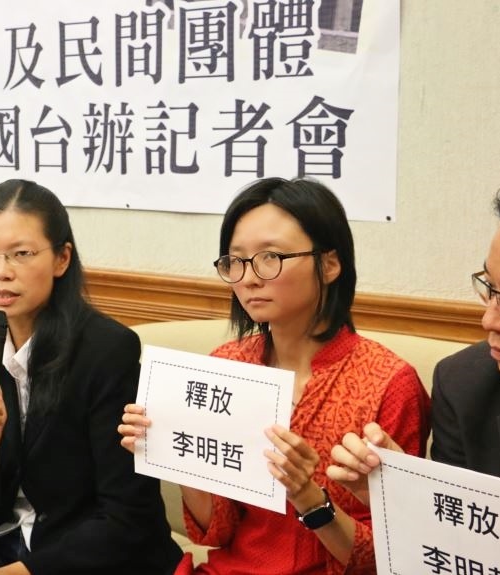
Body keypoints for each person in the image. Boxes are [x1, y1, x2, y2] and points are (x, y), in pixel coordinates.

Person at [120, 177, 430, 574]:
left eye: (271, 257)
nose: (248, 278)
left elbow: (395, 554)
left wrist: (308, 497)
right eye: (235, 261)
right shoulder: (227, 365)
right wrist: (174, 453)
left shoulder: (389, 382)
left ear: (330, 265)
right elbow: (217, 532)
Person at [0, 179, 182, 574]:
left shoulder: (107, 351)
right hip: (6, 539)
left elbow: (127, 517)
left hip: (88, 558)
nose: (0, 273)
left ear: (61, 258)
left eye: (21, 254)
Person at [328, 183, 500, 498]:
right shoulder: (464, 386)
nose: (489, 321)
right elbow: (458, 520)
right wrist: (401, 493)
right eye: (491, 289)